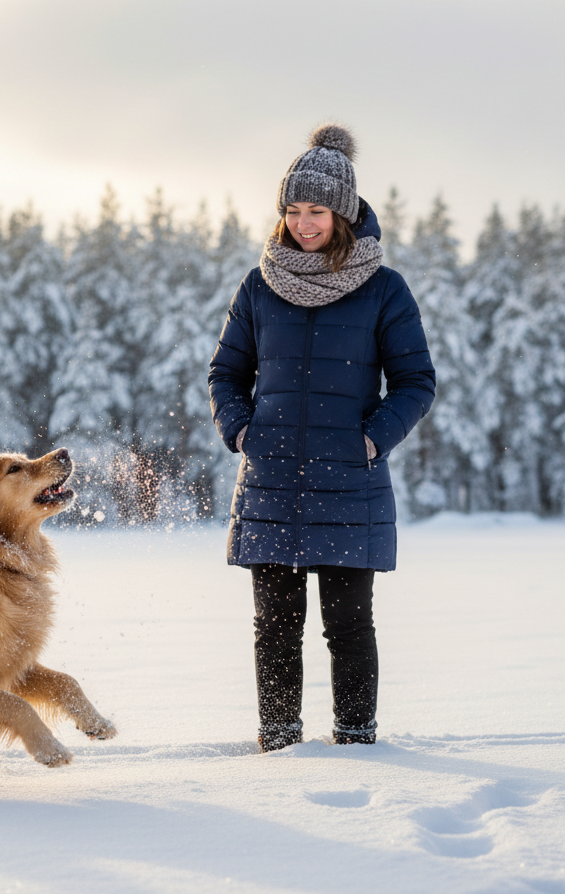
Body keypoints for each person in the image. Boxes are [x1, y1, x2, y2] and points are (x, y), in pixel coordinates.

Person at [207, 124, 435, 752]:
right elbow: (226, 373)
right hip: (272, 479)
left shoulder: (384, 288)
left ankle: (357, 745)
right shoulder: (259, 285)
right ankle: (279, 746)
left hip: (349, 482)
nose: (304, 223)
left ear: (344, 213)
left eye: (317, 210)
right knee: (275, 628)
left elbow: (415, 381)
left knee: (348, 626)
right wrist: (242, 429)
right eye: (293, 210)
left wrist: (371, 441)